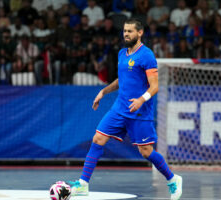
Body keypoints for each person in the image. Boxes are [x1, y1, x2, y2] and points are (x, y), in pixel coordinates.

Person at [66, 18, 183, 200]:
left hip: (139, 112)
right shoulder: (122, 53)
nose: (126, 34)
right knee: (98, 138)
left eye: (130, 31)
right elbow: (122, 81)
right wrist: (103, 92)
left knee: (145, 152)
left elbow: (155, 86)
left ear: (140, 33)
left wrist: (141, 100)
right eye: (124, 31)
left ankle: (172, 178)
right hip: (119, 108)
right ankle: (83, 184)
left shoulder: (146, 55)